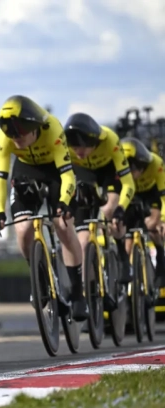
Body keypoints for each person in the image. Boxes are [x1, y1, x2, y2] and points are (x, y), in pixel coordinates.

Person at [0, 95, 88, 321]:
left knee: (62, 225)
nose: (15, 139)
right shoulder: (3, 138)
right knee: (23, 229)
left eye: (20, 134)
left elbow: (67, 175)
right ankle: (39, 276)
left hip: (55, 173)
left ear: (34, 128)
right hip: (25, 170)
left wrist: (64, 201)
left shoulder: (52, 128)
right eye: (11, 135)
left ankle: (77, 292)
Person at [64, 112, 135, 284]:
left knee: (110, 208)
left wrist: (121, 209)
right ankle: (87, 290)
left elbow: (129, 183)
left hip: (107, 171)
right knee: (82, 241)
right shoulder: (66, 147)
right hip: (83, 173)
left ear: (93, 141)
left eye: (81, 146)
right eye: (73, 147)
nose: (77, 151)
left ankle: (122, 255)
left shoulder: (110, 139)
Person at [120, 137, 165, 285]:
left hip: (151, 194)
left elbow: (164, 196)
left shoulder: (156, 164)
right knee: (127, 239)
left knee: (152, 225)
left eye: (133, 170)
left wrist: (163, 219)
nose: (130, 174)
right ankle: (129, 277)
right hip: (131, 196)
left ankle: (160, 253)